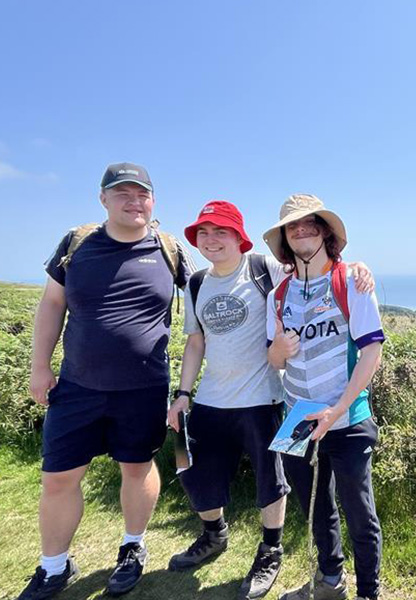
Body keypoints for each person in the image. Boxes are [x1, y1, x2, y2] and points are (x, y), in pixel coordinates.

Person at [166, 200, 374, 600]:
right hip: (244, 403)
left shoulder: (264, 268)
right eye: (204, 233)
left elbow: (322, 265)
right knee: (198, 473)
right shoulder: (198, 283)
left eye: (221, 231)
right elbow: (198, 343)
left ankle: (277, 554)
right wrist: (183, 393)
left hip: (271, 401)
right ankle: (217, 537)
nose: (211, 240)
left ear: (239, 237)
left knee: (279, 486)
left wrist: (358, 268)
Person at [17, 162, 194, 600]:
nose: (133, 202)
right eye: (122, 194)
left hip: (143, 387)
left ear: (153, 201)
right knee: (58, 477)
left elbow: (209, 300)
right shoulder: (77, 244)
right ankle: (54, 566)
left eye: (142, 194)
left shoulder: (169, 249)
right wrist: (40, 367)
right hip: (77, 385)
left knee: (136, 467)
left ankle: (132, 546)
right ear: (103, 199)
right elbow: (51, 306)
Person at [265, 194, 384, 600]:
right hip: (297, 414)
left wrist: (339, 409)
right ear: (284, 237)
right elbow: (273, 360)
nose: (301, 229)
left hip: (348, 416)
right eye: (292, 225)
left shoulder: (352, 279)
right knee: (314, 509)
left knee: (359, 513)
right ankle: (330, 582)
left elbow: (372, 350)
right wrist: (280, 348)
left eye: (310, 222)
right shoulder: (277, 295)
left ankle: (369, 593)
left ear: (325, 231)